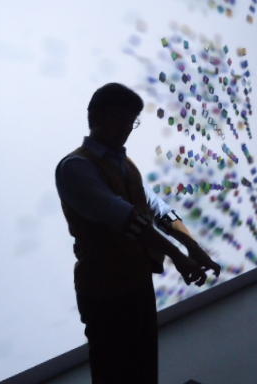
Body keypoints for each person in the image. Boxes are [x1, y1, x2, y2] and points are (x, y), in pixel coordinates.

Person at [55, 82, 220, 384]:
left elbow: (156, 208)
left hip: (137, 281)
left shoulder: (124, 164)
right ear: (96, 116)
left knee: (143, 363)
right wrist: (178, 255)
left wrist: (192, 245)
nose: (127, 128)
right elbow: (127, 218)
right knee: (113, 369)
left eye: (132, 121)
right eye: (120, 119)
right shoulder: (75, 167)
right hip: (103, 289)